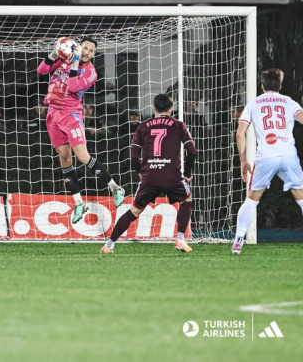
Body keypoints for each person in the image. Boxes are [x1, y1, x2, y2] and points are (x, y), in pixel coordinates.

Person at [37, 37, 125, 224]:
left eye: (91, 51)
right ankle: (78, 202)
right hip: (53, 114)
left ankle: (115, 187)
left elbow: (74, 86)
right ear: (79, 47)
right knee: (64, 159)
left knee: (83, 157)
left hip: (71, 116)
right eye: (85, 48)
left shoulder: (91, 72)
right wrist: (54, 55)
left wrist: (75, 61)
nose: (87, 52)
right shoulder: (63, 60)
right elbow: (42, 70)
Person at [100, 93, 197, 254]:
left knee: (134, 211)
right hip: (172, 176)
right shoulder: (179, 125)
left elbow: (133, 155)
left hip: (150, 176)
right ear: (171, 109)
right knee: (186, 199)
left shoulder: (143, 126)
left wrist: (139, 171)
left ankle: (109, 244)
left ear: (153, 107)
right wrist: (187, 173)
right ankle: (180, 238)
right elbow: (192, 151)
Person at [232, 69, 303, 255]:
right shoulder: (289, 101)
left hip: (266, 156)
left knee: (252, 199)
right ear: (280, 86)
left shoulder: (253, 104)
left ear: (262, 85)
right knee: (301, 197)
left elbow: (240, 133)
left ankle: (238, 242)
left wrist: (243, 161)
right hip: (288, 155)